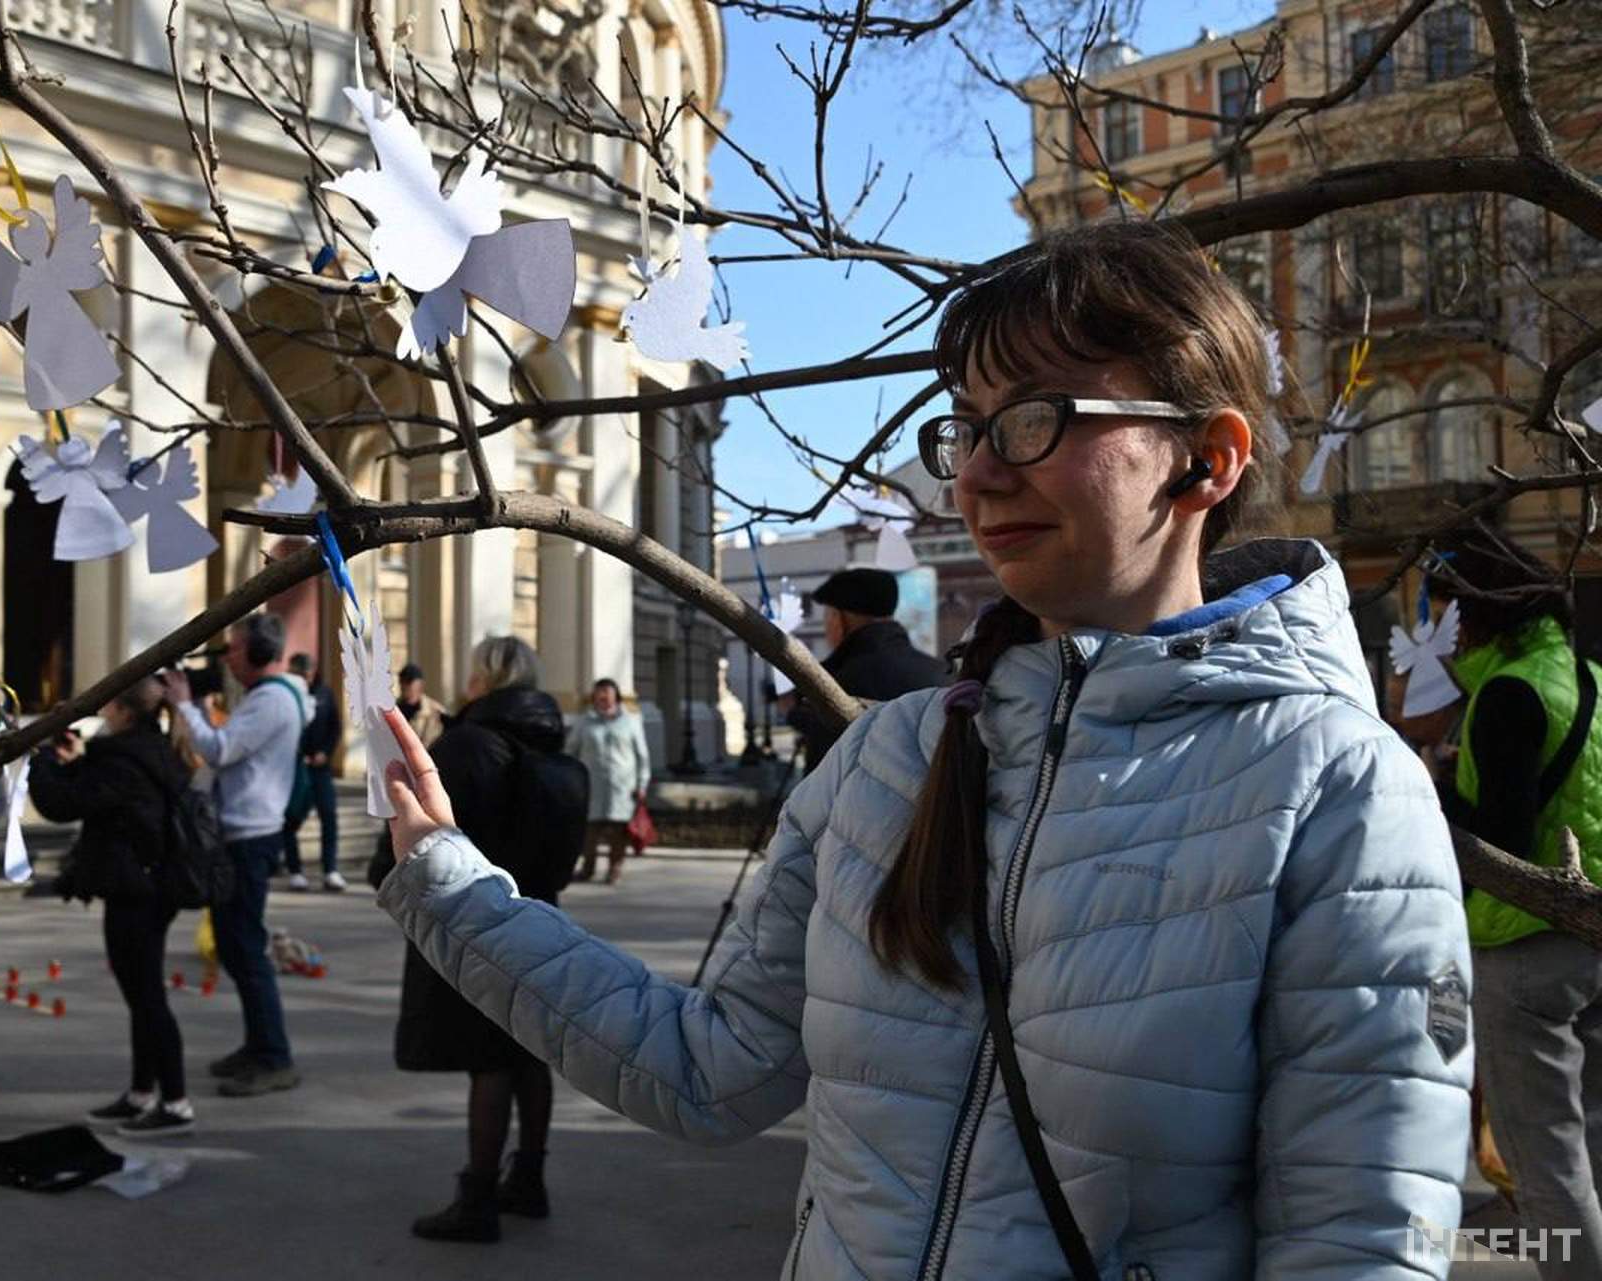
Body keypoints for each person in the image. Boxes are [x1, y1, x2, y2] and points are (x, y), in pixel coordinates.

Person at [371, 221, 1475, 1277]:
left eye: (1036, 419)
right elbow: (710, 1070)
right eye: (967, 426)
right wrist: (448, 880)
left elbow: (1359, 1238)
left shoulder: (1334, 788)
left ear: (1208, 460)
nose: (981, 473)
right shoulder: (889, 760)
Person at [368, 636, 587, 1244]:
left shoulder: (468, 747)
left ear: (482, 679)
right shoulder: (553, 747)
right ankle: (529, 1179)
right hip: (540, 912)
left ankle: (478, 1197)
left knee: (488, 1059)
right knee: (527, 1053)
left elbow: (424, 826)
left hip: (477, 916)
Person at [1431, 530, 1602, 1281]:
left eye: (1457, 613)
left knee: (1546, 1165)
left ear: (1485, 612)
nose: (1453, 630)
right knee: (1591, 1146)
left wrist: (1429, 792)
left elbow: (1498, 839)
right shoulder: (1589, 677)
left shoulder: (1509, 692)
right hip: (1590, 935)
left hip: (1523, 949)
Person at [30, 675, 200, 1136]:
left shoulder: (124, 759)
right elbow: (95, 795)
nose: (102, 714)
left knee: (146, 996)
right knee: (140, 993)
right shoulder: (146, 750)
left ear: (124, 713)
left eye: (108, 707)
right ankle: (142, 1092)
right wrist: (67, 761)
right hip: (149, 885)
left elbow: (62, 803)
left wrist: (41, 753)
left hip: (137, 891)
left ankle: (176, 1101)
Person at [165, 612, 310, 1098]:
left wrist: (184, 705)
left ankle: (274, 1056)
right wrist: (199, 708)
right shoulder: (273, 696)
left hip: (249, 836)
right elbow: (229, 745)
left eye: (233, 648)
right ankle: (258, 1046)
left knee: (245, 949)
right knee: (233, 945)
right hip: (247, 831)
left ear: (255, 653)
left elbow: (221, 750)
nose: (226, 657)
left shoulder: (270, 700)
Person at [785, 566, 948, 772]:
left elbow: (822, 782)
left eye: (828, 615)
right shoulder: (941, 672)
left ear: (839, 618)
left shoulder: (837, 684)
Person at [564, 678, 651, 884]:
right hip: (591, 786)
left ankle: (615, 868)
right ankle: (588, 867)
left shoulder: (630, 722)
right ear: (594, 697)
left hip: (622, 788)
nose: (603, 697)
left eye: (607, 693)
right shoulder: (584, 722)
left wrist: (642, 784)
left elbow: (642, 757)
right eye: (599, 693)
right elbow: (570, 752)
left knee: (618, 832)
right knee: (589, 832)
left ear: (616, 696)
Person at [281, 653, 346, 893]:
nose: (305, 679)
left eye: (307, 674)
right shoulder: (286, 694)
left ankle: (330, 870)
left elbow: (335, 727)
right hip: (296, 768)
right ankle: (295, 871)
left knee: (328, 816)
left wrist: (325, 753)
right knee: (291, 819)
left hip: (320, 768)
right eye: (299, 675)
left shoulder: (324, 693)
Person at [397, 663, 446, 749]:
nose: (404, 685)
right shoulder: (392, 710)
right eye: (401, 681)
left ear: (420, 684)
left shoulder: (435, 712)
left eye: (409, 681)